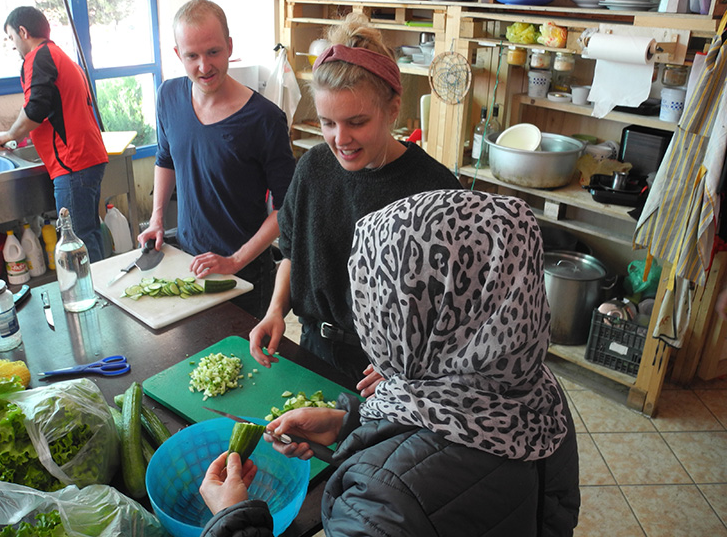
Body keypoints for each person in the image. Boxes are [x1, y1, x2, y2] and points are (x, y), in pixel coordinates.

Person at [200, 189, 581, 537]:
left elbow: (416, 479)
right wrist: (348, 424)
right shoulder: (538, 387)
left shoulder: (380, 502)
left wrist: (233, 517)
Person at [248, 13, 461, 390]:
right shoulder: (314, 168)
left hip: (395, 371)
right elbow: (293, 252)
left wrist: (414, 361)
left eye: (357, 122)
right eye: (328, 123)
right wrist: (275, 310)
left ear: (392, 109)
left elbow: (455, 307)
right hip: (315, 348)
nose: (340, 139)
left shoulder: (436, 190)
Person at [138, 0, 295, 319]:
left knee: (249, 363)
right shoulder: (168, 96)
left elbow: (287, 208)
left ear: (229, 46)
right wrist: (157, 219)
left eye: (213, 52)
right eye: (192, 56)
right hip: (188, 262)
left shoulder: (264, 119)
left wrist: (236, 260)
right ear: (177, 54)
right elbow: (165, 158)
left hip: (245, 274)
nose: (204, 67)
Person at [0, 6, 108, 262]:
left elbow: (35, 108)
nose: (13, 46)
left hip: (73, 163)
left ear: (23, 31)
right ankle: (101, 293)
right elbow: (52, 111)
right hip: (87, 158)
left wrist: (8, 133)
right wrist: (17, 137)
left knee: (77, 240)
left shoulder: (38, 57)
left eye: (12, 38)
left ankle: (93, 298)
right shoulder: (59, 56)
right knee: (89, 233)